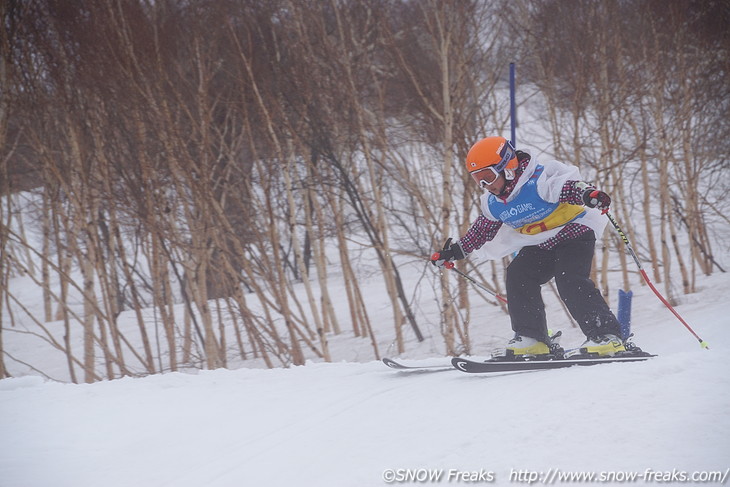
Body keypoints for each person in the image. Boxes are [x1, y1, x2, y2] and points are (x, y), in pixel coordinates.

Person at [431, 136, 629, 358]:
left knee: (569, 279)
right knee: (518, 275)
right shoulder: (494, 202)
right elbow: (481, 231)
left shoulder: (538, 181)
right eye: (479, 180)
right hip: (540, 243)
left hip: (573, 233)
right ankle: (534, 339)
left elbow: (569, 188)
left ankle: (607, 336)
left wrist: (589, 194)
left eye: (488, 177)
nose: (485, 185)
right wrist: (455, 251)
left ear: (507, 167)